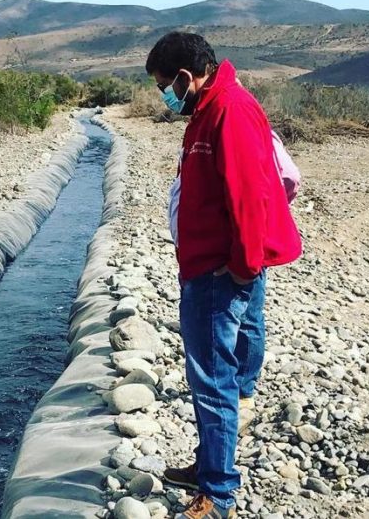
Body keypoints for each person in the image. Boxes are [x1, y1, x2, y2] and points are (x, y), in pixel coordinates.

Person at [145, 32, 303, 519]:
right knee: (222, 373)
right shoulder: (212, 107)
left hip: (217, 272)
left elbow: (250, 194)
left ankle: (217, 496)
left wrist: (241, 266)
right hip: (215, 264)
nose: (164, 96)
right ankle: (210, 465)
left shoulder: (227, 111)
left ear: (187, 78)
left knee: (211, 381)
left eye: (164, 86)